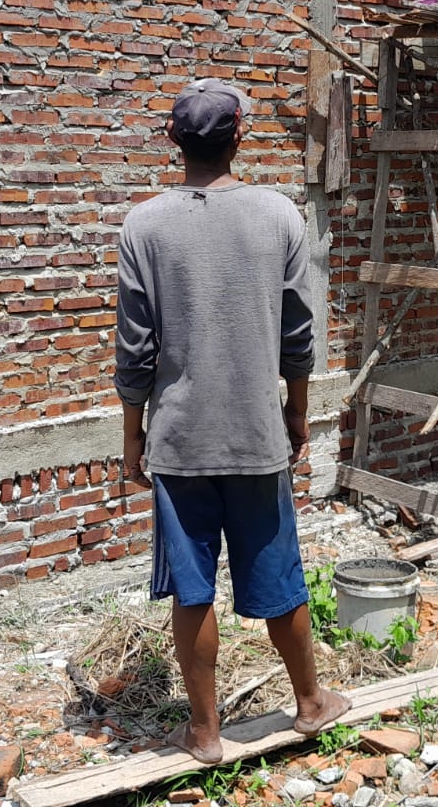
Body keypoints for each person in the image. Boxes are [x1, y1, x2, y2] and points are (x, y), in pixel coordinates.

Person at [114, 78, 349, 765]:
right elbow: (299, 337)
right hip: (256, 435)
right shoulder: (278, 216)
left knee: (192, 589)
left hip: (180, 440)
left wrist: (131, 441)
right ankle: (310, 704)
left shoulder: (143, 226)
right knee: (278, 575)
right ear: (240, 134)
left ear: (172, 141)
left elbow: (135, 350)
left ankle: (205, 733)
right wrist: (297, 413)